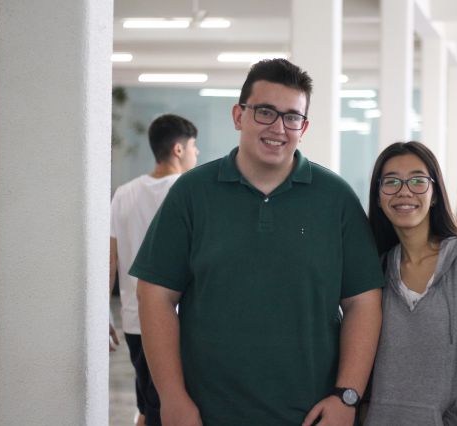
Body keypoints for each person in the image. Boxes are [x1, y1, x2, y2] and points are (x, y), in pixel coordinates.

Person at [130, 59, 384, 426]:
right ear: (239, 116)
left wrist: (347, 396)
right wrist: (172, 397)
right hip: (206, 415)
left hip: (310, 416)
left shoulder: (336, 199)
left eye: (292, 117)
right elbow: (155, 295)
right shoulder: (192, 194)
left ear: (304, 127)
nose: (278, 128)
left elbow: (364, 303)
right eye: (265, 112)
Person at [364, 141, 457, 425]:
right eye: (391, 181)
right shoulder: (377, 268)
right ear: (378, 197)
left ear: (435, 195)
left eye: (418, 180)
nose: (404, 191)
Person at [109, 114, 200, 426]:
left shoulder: (123, 193)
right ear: (178, 149)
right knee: (169, 410)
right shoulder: (187, 192)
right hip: (174, 323)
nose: (196, 153)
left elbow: (110, 259)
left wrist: (104, 313)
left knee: (149, 407)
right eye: (193, 146)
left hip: (134, 321)